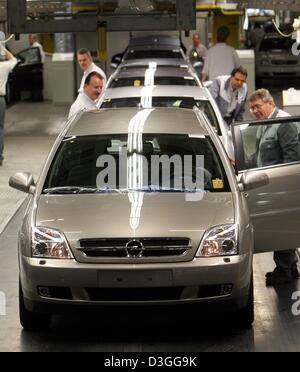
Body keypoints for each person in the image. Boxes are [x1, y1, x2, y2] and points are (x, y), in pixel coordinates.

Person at [248, 89, 300, 286]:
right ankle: (292, 267)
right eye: (251, 108)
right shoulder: (265, 124)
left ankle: (283, 270)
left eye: (257, 106)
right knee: (283, 226)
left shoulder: (283, 123)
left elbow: (292, 158)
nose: (254, 111)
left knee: (282, 228)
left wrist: (286, 188)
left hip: (284, 186)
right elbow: (260, 155)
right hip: (272, 185)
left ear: (269, 103)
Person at [0, 46, 17, 166]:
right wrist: (2, 47)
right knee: (0, 129)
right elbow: (14, 60)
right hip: (0, 100)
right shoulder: (4, 66)